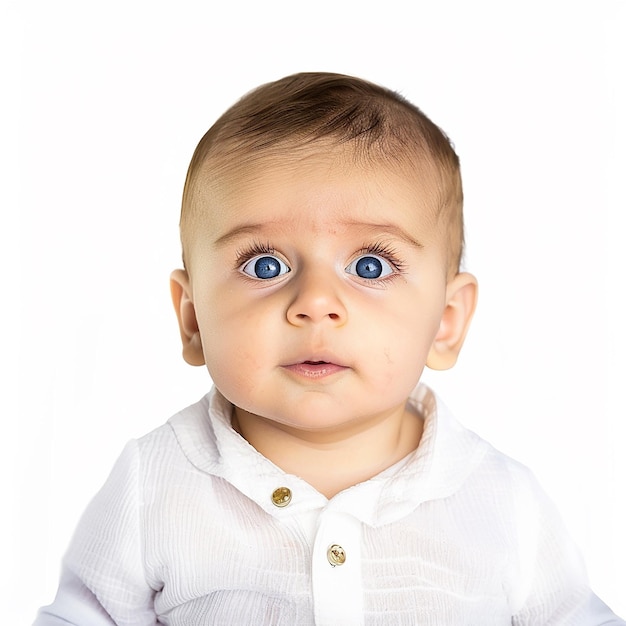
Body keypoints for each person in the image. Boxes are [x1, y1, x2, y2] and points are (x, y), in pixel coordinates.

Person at [35, 72, 624, 625]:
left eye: (370, 265)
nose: (316, 301)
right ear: (192, 320)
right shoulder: (154, 483)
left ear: (445, 322)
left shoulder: (502, 501)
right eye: (265, 264)